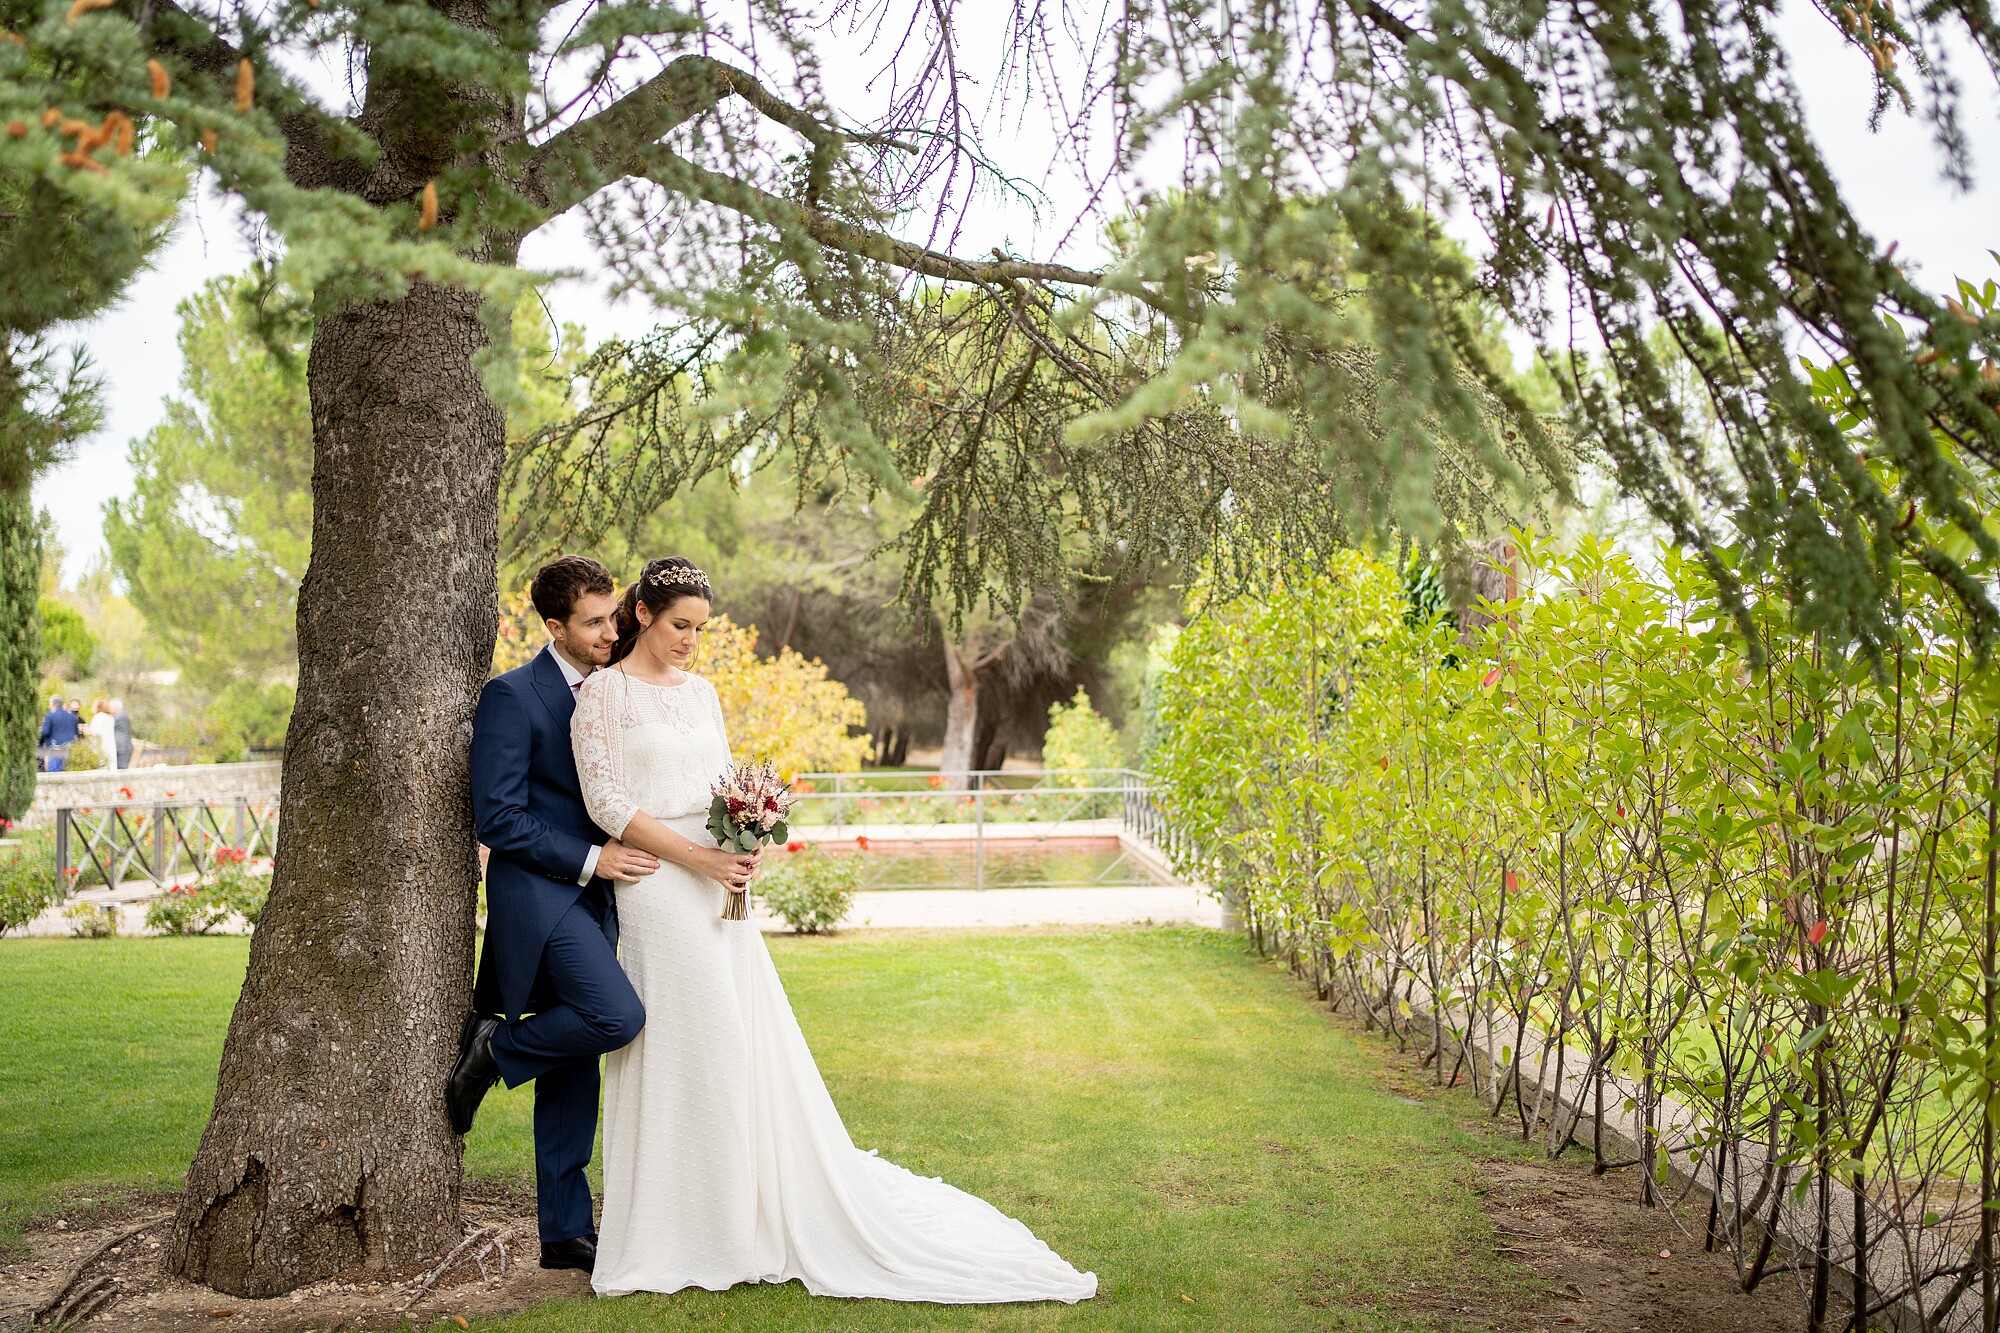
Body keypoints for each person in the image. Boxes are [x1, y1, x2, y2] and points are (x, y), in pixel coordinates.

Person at [566, 557, 1096, 1303]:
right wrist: (699, 858)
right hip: (659, 882)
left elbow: (722, 780)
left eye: (701, 629)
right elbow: (607, 801)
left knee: (735, 1041)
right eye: (680, 624)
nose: (690, 640)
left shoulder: (706, 693)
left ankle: (742, 1215)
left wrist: (744, 838)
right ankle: (676, 1227)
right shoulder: (603, 696)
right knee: (686, 1042)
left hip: (723, 883)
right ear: (644, 612)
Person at [446, 555, 667, 1273]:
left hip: (603, 897)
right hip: (544, 895)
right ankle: (494, 1052)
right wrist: (591, 858)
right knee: (616, 1017)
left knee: (576, 1064)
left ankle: (565, 1231)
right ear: (554, 627)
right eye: (596, 621)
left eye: (613, 615)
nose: (613, 630)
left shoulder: (618, 686)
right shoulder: (513, 696)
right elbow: (499, 815)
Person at [37, 694, 80, 771]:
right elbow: (76, 733)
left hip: (55, 750)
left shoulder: (49, 716)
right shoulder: (73, 717)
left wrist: (40, 743)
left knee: (54, 776)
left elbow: (45, 732)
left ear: (51, 705)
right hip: (70, 750)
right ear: (62, 705)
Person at [86, 698, 118, 771]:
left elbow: (95, 733)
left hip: (101, 747)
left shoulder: (98, 717)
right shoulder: (110, 718)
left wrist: (85, 731)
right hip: (110, 746)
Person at [109, 699, 133, 770]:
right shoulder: (122, 715)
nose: (109, 710)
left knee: (121, 771)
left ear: (116, 707)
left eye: (110, 708)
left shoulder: (121, 716)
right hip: (122, 747)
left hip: (122, 748)